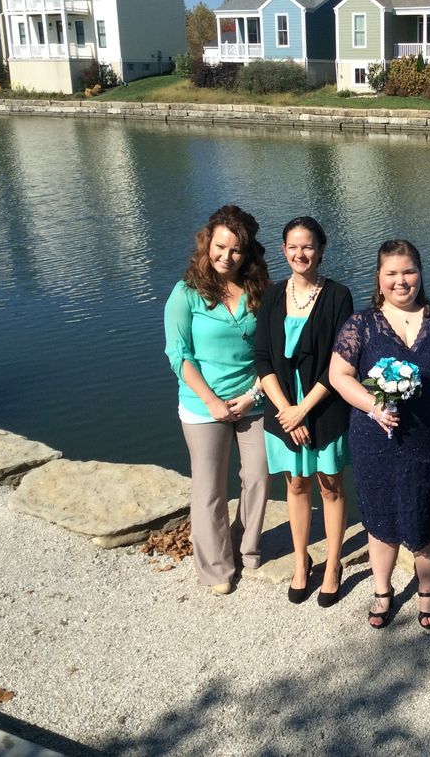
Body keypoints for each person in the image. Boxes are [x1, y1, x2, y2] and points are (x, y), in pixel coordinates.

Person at [329, 240, 430, 629]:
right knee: (381, 519)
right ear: (379, 278)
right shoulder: (361, 324)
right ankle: (383, 591)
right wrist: (373, 405)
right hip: (377, 440)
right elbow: (339, 376)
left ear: (420, 273)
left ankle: (426, 590)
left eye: (409, 272)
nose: (401, 281)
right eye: (392, 274)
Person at [163, 204, 272, 596]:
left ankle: (246, 545)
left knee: (258, 475)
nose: (226, 257)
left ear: (248, 253)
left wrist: (251, 395)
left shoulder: (259, 290)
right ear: (207, 242)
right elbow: (179, 355)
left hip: (252, 399)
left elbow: (269, 351)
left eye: (236, 250)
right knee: (209, 487)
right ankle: (215, 567)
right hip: (201, 404)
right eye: (220, 247)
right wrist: (211, 401)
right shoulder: (186, 293)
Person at [254, 216, 353, 607]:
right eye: (293, 246)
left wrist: (303, 410)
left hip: (323, 405)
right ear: (283, 250)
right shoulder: (272, 296)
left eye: (308, 246)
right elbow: (262, 359)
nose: (300, 253)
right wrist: (285, 411)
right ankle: (301, 560)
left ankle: (332, 564)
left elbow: (341, 360)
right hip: (283, 408)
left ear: (321, 250)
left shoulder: (338, 295)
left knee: (330, 484)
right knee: (296, 483)